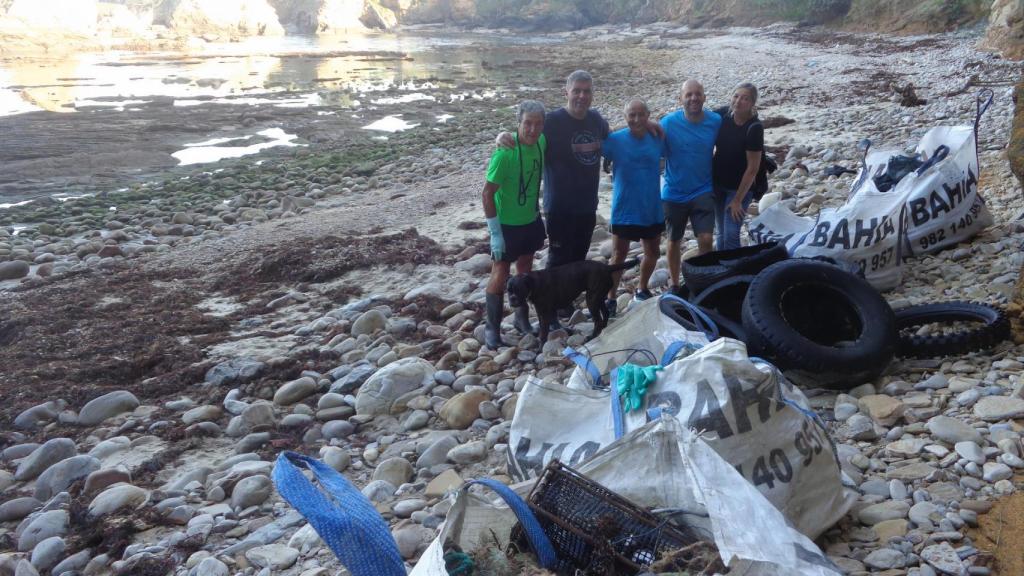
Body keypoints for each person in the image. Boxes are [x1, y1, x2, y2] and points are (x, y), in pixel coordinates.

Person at [482, 100, 547, 349]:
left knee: (525, 268)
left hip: (530, 219)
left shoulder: (542, 142)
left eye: (538, 124)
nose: (532, 129)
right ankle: (492, 329)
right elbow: (487, 194)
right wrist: (495, 233)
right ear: (518, 124)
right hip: (506, 225)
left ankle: (521, 319)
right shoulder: (504, 153)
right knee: (500, 273)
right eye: (527, 123)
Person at [601, 99, 665, 311]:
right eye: (631, 115)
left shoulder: (657, 137)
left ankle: (642, 288)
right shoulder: (614, 140)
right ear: (625, 116)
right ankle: (610, 298)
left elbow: (681, 152)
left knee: (653, 252)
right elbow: (586, 148)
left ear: (648, 115)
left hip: (651, 207)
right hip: (624, 208)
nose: (636, 119)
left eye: (641, 114)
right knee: (618, 255)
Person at [660, 79, 721, 292]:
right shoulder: (667, 123)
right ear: (681, 99)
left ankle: (703, 280)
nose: (693, 98)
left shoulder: (715, 121)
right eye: (689, 94)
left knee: (706, 238)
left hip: (702, 189)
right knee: (673, 239)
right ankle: (675, 283)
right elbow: (649, 147)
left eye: (697, 94)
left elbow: (734, 135)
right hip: (673, 192)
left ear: (704, 97)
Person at [712, 82, 763, 251]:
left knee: (731, 234)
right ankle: (721, 270)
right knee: (720, 233)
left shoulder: (754, 128)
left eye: (745, 98)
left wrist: (737, 200)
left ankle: (735, 272)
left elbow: (753, 168)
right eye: (736, 96)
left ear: (752, 103)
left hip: (739, 189)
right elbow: (698, 119)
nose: (738, 101)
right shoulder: (722, 115)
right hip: (718, 184)